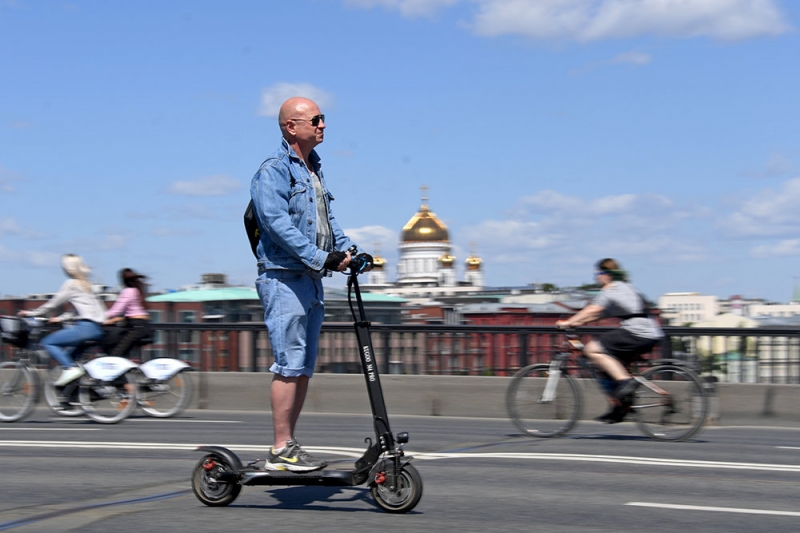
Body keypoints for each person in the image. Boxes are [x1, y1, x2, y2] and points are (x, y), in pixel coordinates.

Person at [250, 96, 372, 472]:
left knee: (303, 366)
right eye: (315, 119)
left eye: (323, 119)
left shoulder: (313, 169)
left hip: (310, 279)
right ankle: (280, 448)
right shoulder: (273, 171)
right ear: (292, 126)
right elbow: (277, 224)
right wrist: (323, 258)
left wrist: (350, 251)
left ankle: (288, 444)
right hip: (284, 278)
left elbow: (326, 222)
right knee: (288, 364)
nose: (322, 125)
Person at [556, 258, 664, 423]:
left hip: (637, 332)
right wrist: (577, 321)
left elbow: (594, 309)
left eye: (598, 274)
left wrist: (568, 322)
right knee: (607, 367)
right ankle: (619, 408)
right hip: (650, 333)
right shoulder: (627, 288)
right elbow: (596, 315)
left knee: (591, 349)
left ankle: (626, 382)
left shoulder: (611, 290)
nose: (596, 278)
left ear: (606, 274)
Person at [18, 254, 107, 387]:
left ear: (67, 268)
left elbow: (53, 304)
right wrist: (59, 318)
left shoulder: (71, 284)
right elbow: (80, 310)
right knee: (69, 357)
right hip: (97, 330)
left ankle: (69, 369)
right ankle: (72, 396)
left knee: (48, 342)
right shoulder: (87, 285)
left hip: (85, 328)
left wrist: (31, 313)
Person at [103, 268, 151, 357]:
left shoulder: (128, 291)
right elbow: (134, 312)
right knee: (122, 352)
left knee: (116, 354)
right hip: (144, 325)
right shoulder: (138, 290)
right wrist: (117, 319)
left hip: (136, 328)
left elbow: (115, 311)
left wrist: (100, 318)